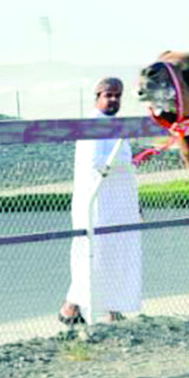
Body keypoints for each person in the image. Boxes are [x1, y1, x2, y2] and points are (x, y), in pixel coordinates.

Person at [62, 77, 142, 325]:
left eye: (118, 95)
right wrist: (128, 164)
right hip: (96, 202)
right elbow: (95, 163)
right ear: (97, 96)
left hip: (121, 203)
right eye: (109, 95)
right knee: (92, 255)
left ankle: (113, 309)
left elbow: (123, 166)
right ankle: (71, 308)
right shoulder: (92, 126)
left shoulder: (119, 125)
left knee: (119, 255)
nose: (114, 99)